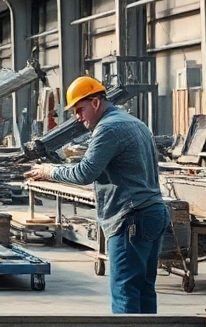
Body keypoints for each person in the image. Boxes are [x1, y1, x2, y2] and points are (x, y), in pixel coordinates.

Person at [24, 76, 169, 314]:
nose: (77, 118)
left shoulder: (108, 128)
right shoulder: (134, 122)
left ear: (95, 102)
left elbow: (85, 173)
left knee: (125, 293)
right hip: (153, 213)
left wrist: (50, 171)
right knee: (143, 289)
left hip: (130, 218)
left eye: (79, 110)